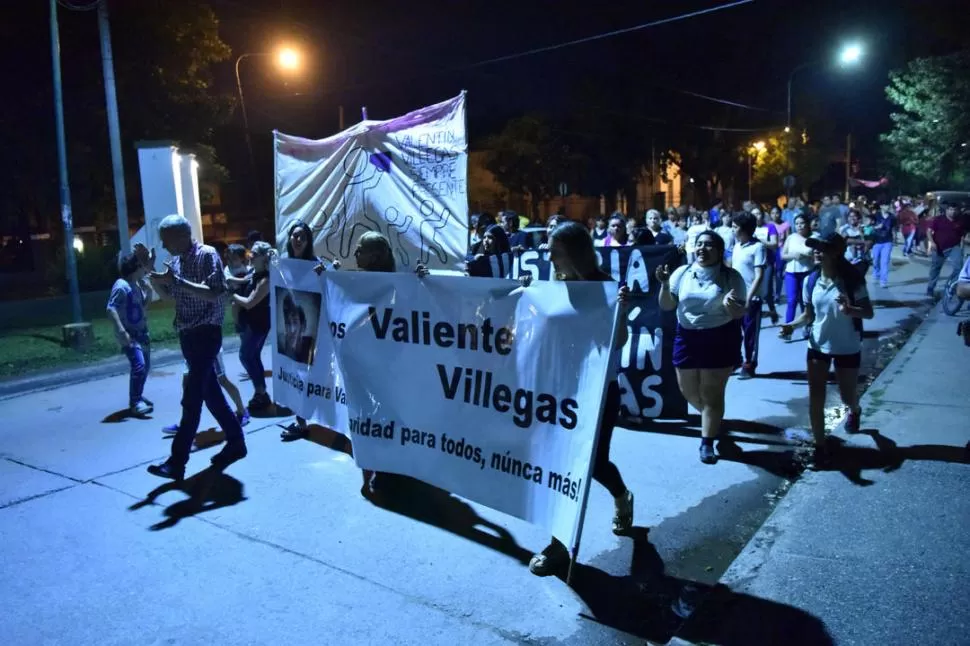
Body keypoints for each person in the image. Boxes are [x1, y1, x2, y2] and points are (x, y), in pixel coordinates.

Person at [525, 221, 634, 577]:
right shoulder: (553, 285)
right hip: (559, 390)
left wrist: (620, 310)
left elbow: (617, 343)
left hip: (599, 392)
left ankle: (621, 496)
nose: (547, 254)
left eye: (553, 249)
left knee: (595, 465)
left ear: (572, 251)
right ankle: (559, 546)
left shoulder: (605, 288)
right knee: (561, 466)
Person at [145, 215, 247, 481]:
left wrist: (177, 281)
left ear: (181, 236)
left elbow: (214, 292)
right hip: (187, 335)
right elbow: (170, 296)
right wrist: (150, 272)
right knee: (211, 394)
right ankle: (236, 441)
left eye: (167, 241)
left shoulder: (207, 255)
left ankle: (177, 461)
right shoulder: (177, 261)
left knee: (192, 399)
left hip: (206, 333)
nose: (165, 247)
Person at [780, 232, 873, 466]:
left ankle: (855, 409)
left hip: (847, 345)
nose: (816, 252)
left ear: (836, 252)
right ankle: (820, 446)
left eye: (822, 248)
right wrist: (792, 326)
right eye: (814, 248)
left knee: (846, 395)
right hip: (818, 345)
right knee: (816, 397)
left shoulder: (852, 280)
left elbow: (868, 312)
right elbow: (808, 315)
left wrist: (850, 309)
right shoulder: (810, 281)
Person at [658, 230, 746, 464]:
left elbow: (740, 313)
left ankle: (707, 442)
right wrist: (665, 285)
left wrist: (731, 307)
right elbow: (667, 306)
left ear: (719, 251)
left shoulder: (731, 277)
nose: (702, 249)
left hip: (720, 336)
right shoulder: (681, 273)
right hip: (686, 336)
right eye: (699, 244)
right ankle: (713, 419)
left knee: (711, 392)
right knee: (688, 391)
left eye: (708, 245)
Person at [280, 220, 330, 441]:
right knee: (294, 377)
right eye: (294, 235)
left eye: (302, 236)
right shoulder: (283, 265)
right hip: (290, 332)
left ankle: (320, 417)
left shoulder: (316, 265)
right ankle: (301, 423)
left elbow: (327, 293)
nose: (297, 240)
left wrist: (326, 274)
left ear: (308, 241)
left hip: (314, 332)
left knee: (311, 378)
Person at [106, 250, 154, 416]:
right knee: (139, 366)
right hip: (130, 335)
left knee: (145, 367)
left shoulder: (136, 285)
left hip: (142, 332)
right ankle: (135, 402)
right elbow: (111, 308)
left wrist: (149, 292)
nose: (144, 270)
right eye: (142, 267)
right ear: (135, 268)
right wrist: (120, 329)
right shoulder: (121, 286)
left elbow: (143, 306)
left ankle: (138, 395)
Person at [232, 241, 274, 414]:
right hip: (252, 323)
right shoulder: (254, 273)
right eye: (252, 252)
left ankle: (261, 392)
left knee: (246, 356)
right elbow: (243, 280)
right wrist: (229, 280)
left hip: (258, 324)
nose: (251, 255)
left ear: (265, 258)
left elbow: (250, 303)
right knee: (253, 356)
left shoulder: (266, 280)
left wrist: (232, 295)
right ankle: (261, 393)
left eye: (255, 253)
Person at [730, 213, 767, 380]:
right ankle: (735, 360)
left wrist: (749, 297)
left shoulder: (758, 247)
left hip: (751, 299)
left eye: (735, 227)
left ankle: (750, 364)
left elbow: (759, 275)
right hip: (735, 297)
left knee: (750, 334)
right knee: (733, 332)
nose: (732, 229)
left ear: (744, 230)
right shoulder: (737, 246)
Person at [780, 214, 815, 340]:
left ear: (807, 224)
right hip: (791, 273)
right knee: (791, 301)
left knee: (805, 302)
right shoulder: (791, 237)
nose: (799, 226)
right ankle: (787, 330)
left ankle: (807, 327)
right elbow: (783, 255)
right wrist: (793, 256)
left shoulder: (813, 237)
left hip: (807, 272)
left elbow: (812, 253)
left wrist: (804, 254)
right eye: (797, 223)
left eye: (802, 223)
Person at [926, 205, 967, 297]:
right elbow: (929, 231)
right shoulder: (939, 219)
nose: (952, 212)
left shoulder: (959, 221)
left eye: (954, 210)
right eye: (950, 209)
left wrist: (962, 248)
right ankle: (930, 287)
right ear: (947, 210)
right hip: (939, 247)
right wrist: (932, 243)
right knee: (935, 268)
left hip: (954, 247)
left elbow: (962, 236)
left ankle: (951, 285)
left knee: (959, 267)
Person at [754, 209, 780, 324]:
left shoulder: (770, 227)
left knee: (767, 292)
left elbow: (774, 244)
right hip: (754, 263)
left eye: (758, 213)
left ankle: (772, 310)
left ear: (763, 215)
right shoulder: (750, 229)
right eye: (753, 214)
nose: (756, 216)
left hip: (767, 262)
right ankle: (756, 316)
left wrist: (759, 241)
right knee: (756, 292)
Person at [869, 204, 895, 288]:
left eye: (888, 205)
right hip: (876, 241)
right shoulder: (876, 216)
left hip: (887, 241)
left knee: (884, 261)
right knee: (875, 260)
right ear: (881, 206)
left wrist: (894, 239)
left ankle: (883, 281)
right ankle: (876, 273)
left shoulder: (892, 217)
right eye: (885, 205)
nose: (887, 207)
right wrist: (877, 227)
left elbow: (894, 228)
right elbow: (869, 227)